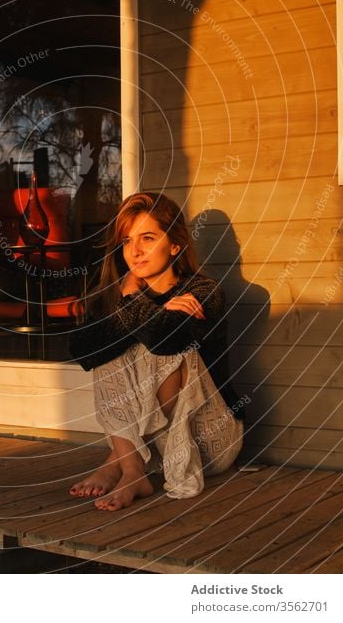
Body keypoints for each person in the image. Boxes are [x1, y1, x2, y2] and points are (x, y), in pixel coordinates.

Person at [69, 192, 244, 511]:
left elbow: (167, 342)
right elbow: (83, 352)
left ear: (175, 245)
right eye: (127, 240)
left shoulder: (202, 293)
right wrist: (132, 301)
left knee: (163, 343)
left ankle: (118, 462)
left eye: (147, 238)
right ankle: (134, 471)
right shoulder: (117, 297)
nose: (134, 251)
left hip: (209, 438)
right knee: (107, 347)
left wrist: (134, 301)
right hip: (154, 448)